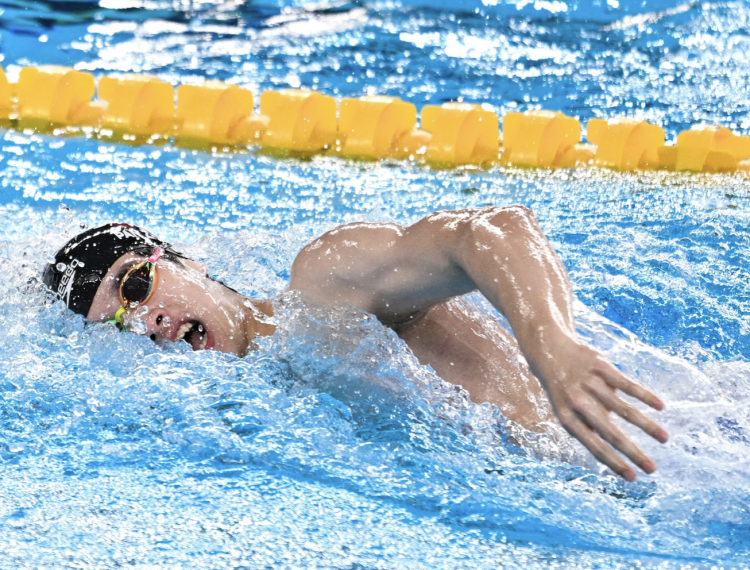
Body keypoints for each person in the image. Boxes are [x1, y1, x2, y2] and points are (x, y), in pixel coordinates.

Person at [42, 206, 669, 481]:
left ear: (188, 262)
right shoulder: (255, 403)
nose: (148, 322)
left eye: (138, 285)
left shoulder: (322, 287)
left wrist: (552, 347)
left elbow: (493, 229)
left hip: (654, 436)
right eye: (120, 327)